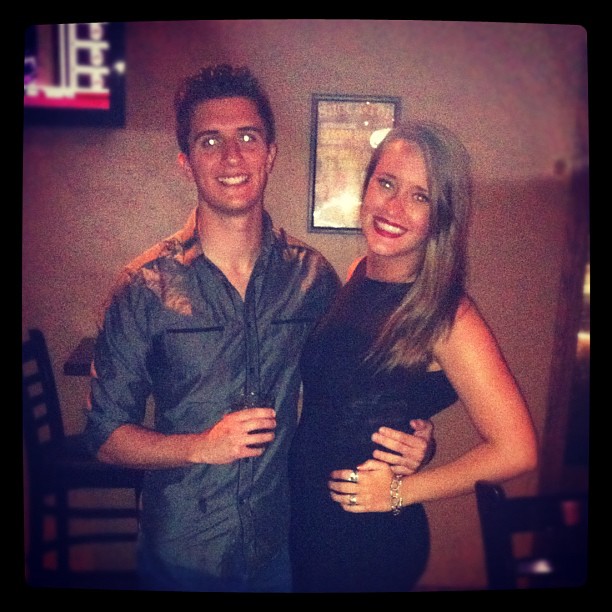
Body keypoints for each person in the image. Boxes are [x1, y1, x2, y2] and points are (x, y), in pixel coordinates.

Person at [83, 64, 434, 593]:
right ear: (186, 163)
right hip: (184, 553)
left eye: (247, 137)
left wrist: (413, 440)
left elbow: (354, 387)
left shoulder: (312, 278)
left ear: (270, 154)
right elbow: (106, 436)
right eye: (210, 141)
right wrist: (199, 446)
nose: (231, 156)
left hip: (282, 547)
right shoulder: (143, 288)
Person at [288, 121, 539, 592]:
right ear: (366, 187)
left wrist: (401, 491)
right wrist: (419, 436)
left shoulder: (449, 314)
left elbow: (517, 449)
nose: (394, 207)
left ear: (441, 217)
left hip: (366, 540)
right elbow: (357, 397)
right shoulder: (359, 272)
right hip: (309, 520)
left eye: (420, 197)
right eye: (386, 183)